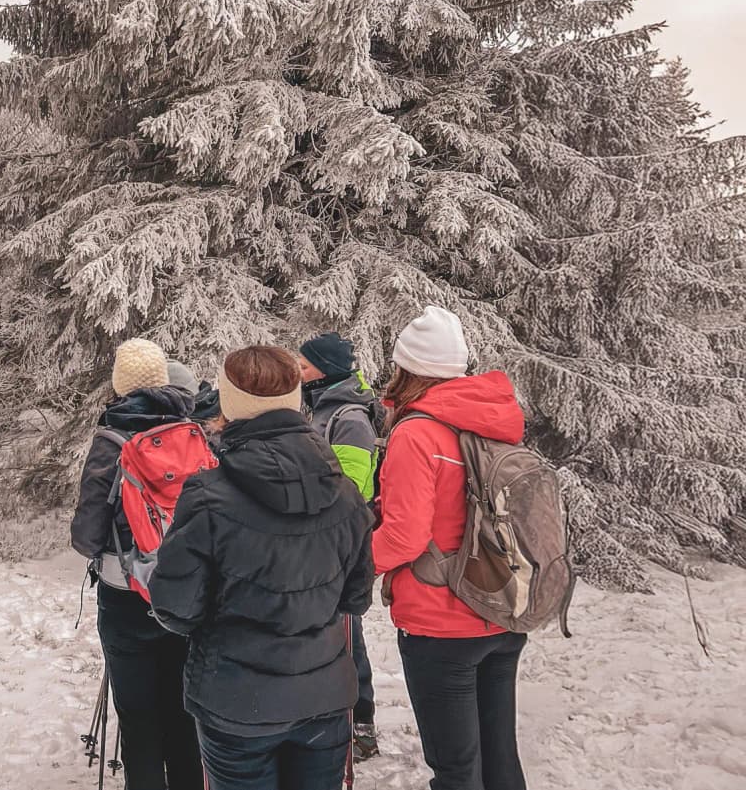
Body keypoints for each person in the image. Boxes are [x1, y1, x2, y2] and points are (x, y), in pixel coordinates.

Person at [148, 346, 375, 790]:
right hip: (323, 696)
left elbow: (175, 608)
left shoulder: (207, 496)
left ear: (231, 405)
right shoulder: (346, 494)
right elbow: (355, 597)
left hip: (236, 700)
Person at [373, 306, 529, 790]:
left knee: (456, 769)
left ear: (407, 368)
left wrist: (345, 564)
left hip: (442, 623)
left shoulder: (417, 433)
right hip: (501, 608)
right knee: (500, 760)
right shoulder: (493, 420)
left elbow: (405, 536)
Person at [71, 338, 204, 790]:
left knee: (139, 718)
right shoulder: (191, 433)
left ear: (120, 384)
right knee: (183, 713)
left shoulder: (111, 439)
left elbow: (86, 535)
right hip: (187, 593)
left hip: (126, 595)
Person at [298, 332, 381, 760]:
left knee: (349, 631)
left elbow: (349, 489)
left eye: (305, 363)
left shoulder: (347, 417)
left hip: (342, 543)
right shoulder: (322, 409)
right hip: (323, 543)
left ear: (325, 369)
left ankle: (360, 719)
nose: (299, 369)